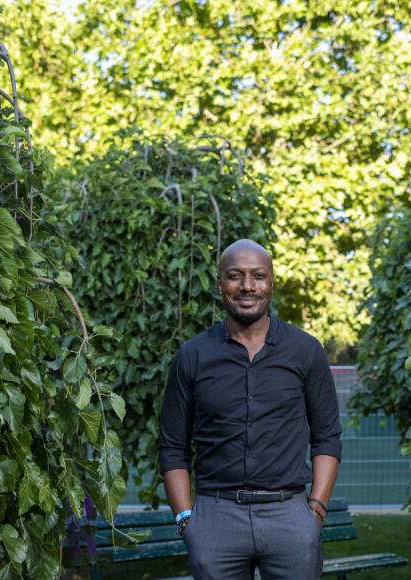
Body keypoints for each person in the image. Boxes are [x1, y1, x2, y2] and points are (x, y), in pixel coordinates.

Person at [159, 239, 342, 580]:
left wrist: (314, 511)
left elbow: (328, 437)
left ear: (271, 282)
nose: (247, 286)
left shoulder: (306, 351)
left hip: (290, 516)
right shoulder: (192, 355)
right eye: (235, 276)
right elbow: (172, 447)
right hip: (216, 518)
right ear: (219, 284)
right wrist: (186, 519)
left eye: (258, 275)